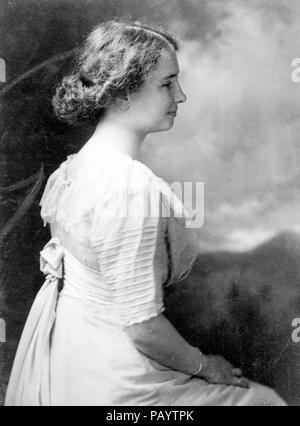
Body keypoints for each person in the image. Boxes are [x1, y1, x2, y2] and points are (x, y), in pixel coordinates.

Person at [5, 20, 286, 406]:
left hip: (69, 359)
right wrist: (206, 366)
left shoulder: (72, 170)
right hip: (114, 380)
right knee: (265, 402)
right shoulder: (129, 189)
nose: (181, 95)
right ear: (122, 94)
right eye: (167, 83)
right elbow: (142, 328)